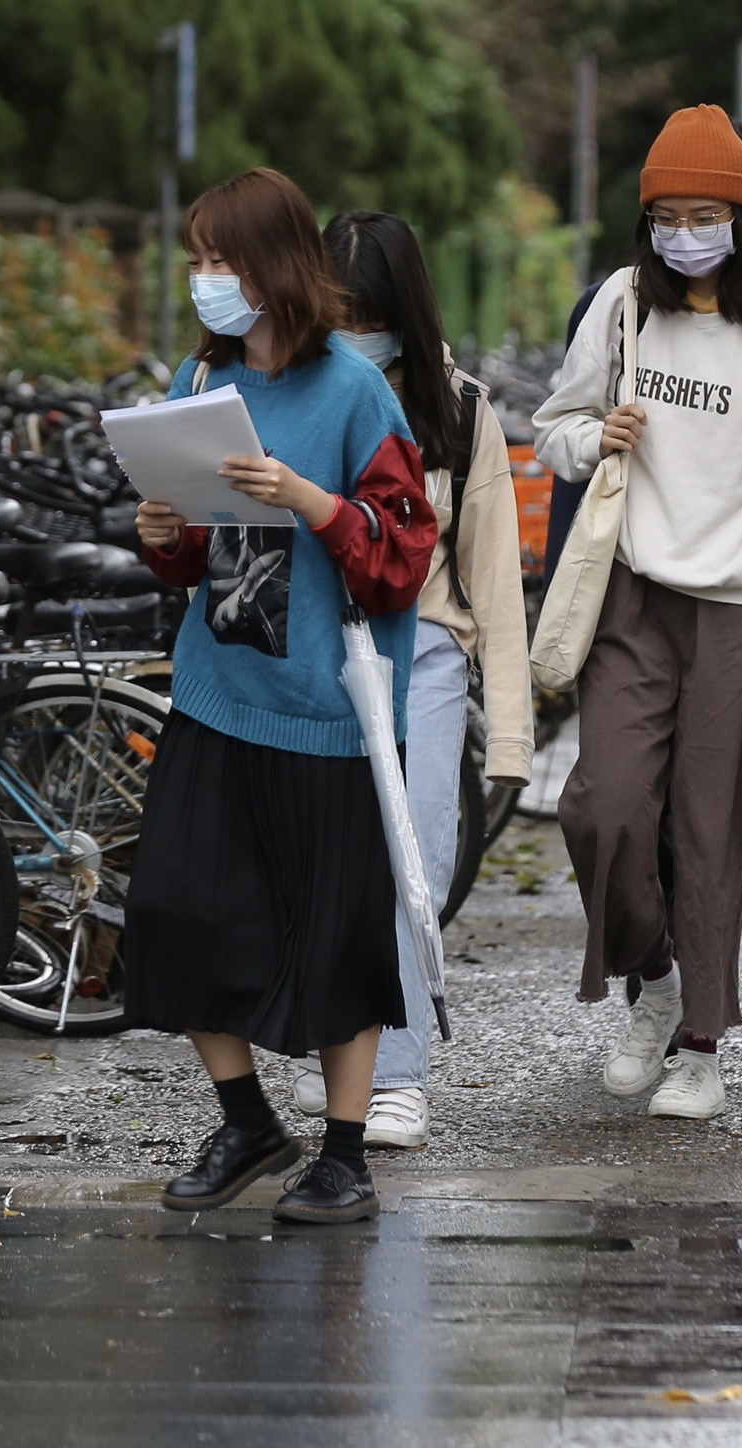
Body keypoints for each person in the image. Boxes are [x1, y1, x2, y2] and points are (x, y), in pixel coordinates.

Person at [532, 104, 742, 1123]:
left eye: (703, 214)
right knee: (602, 806)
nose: (683, 233)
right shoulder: (624, 302)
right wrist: (595, 437)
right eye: (666, 215)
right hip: (634, 594)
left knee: (709, 832)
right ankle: (657, 979)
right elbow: (553, 427)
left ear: (740, 216)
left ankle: (702, 1047)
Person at [126, 167, 437, 1224]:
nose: (205, 279)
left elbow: (403, 559)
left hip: (327, 708)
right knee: (175, 910)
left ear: (276, 265)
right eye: (197, 260)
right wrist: (165, 534)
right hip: (220, 685)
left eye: (222, 260)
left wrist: (308, 497)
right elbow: (197, 554)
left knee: (337, 936)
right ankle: (249, 1121)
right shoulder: (200, 378)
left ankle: (345, 1156)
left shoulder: (355, 391)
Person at [277, 209, 533, 1154]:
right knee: (324, 864)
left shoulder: (458, 412)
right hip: (315, 653)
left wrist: (510, 737)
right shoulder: (291, 394)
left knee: (412, 864)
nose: (355, 335)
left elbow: (494, 580)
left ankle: (399, 1079)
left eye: (371, 318)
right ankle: (340, 1055)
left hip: (423, 651)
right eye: (340, 315)